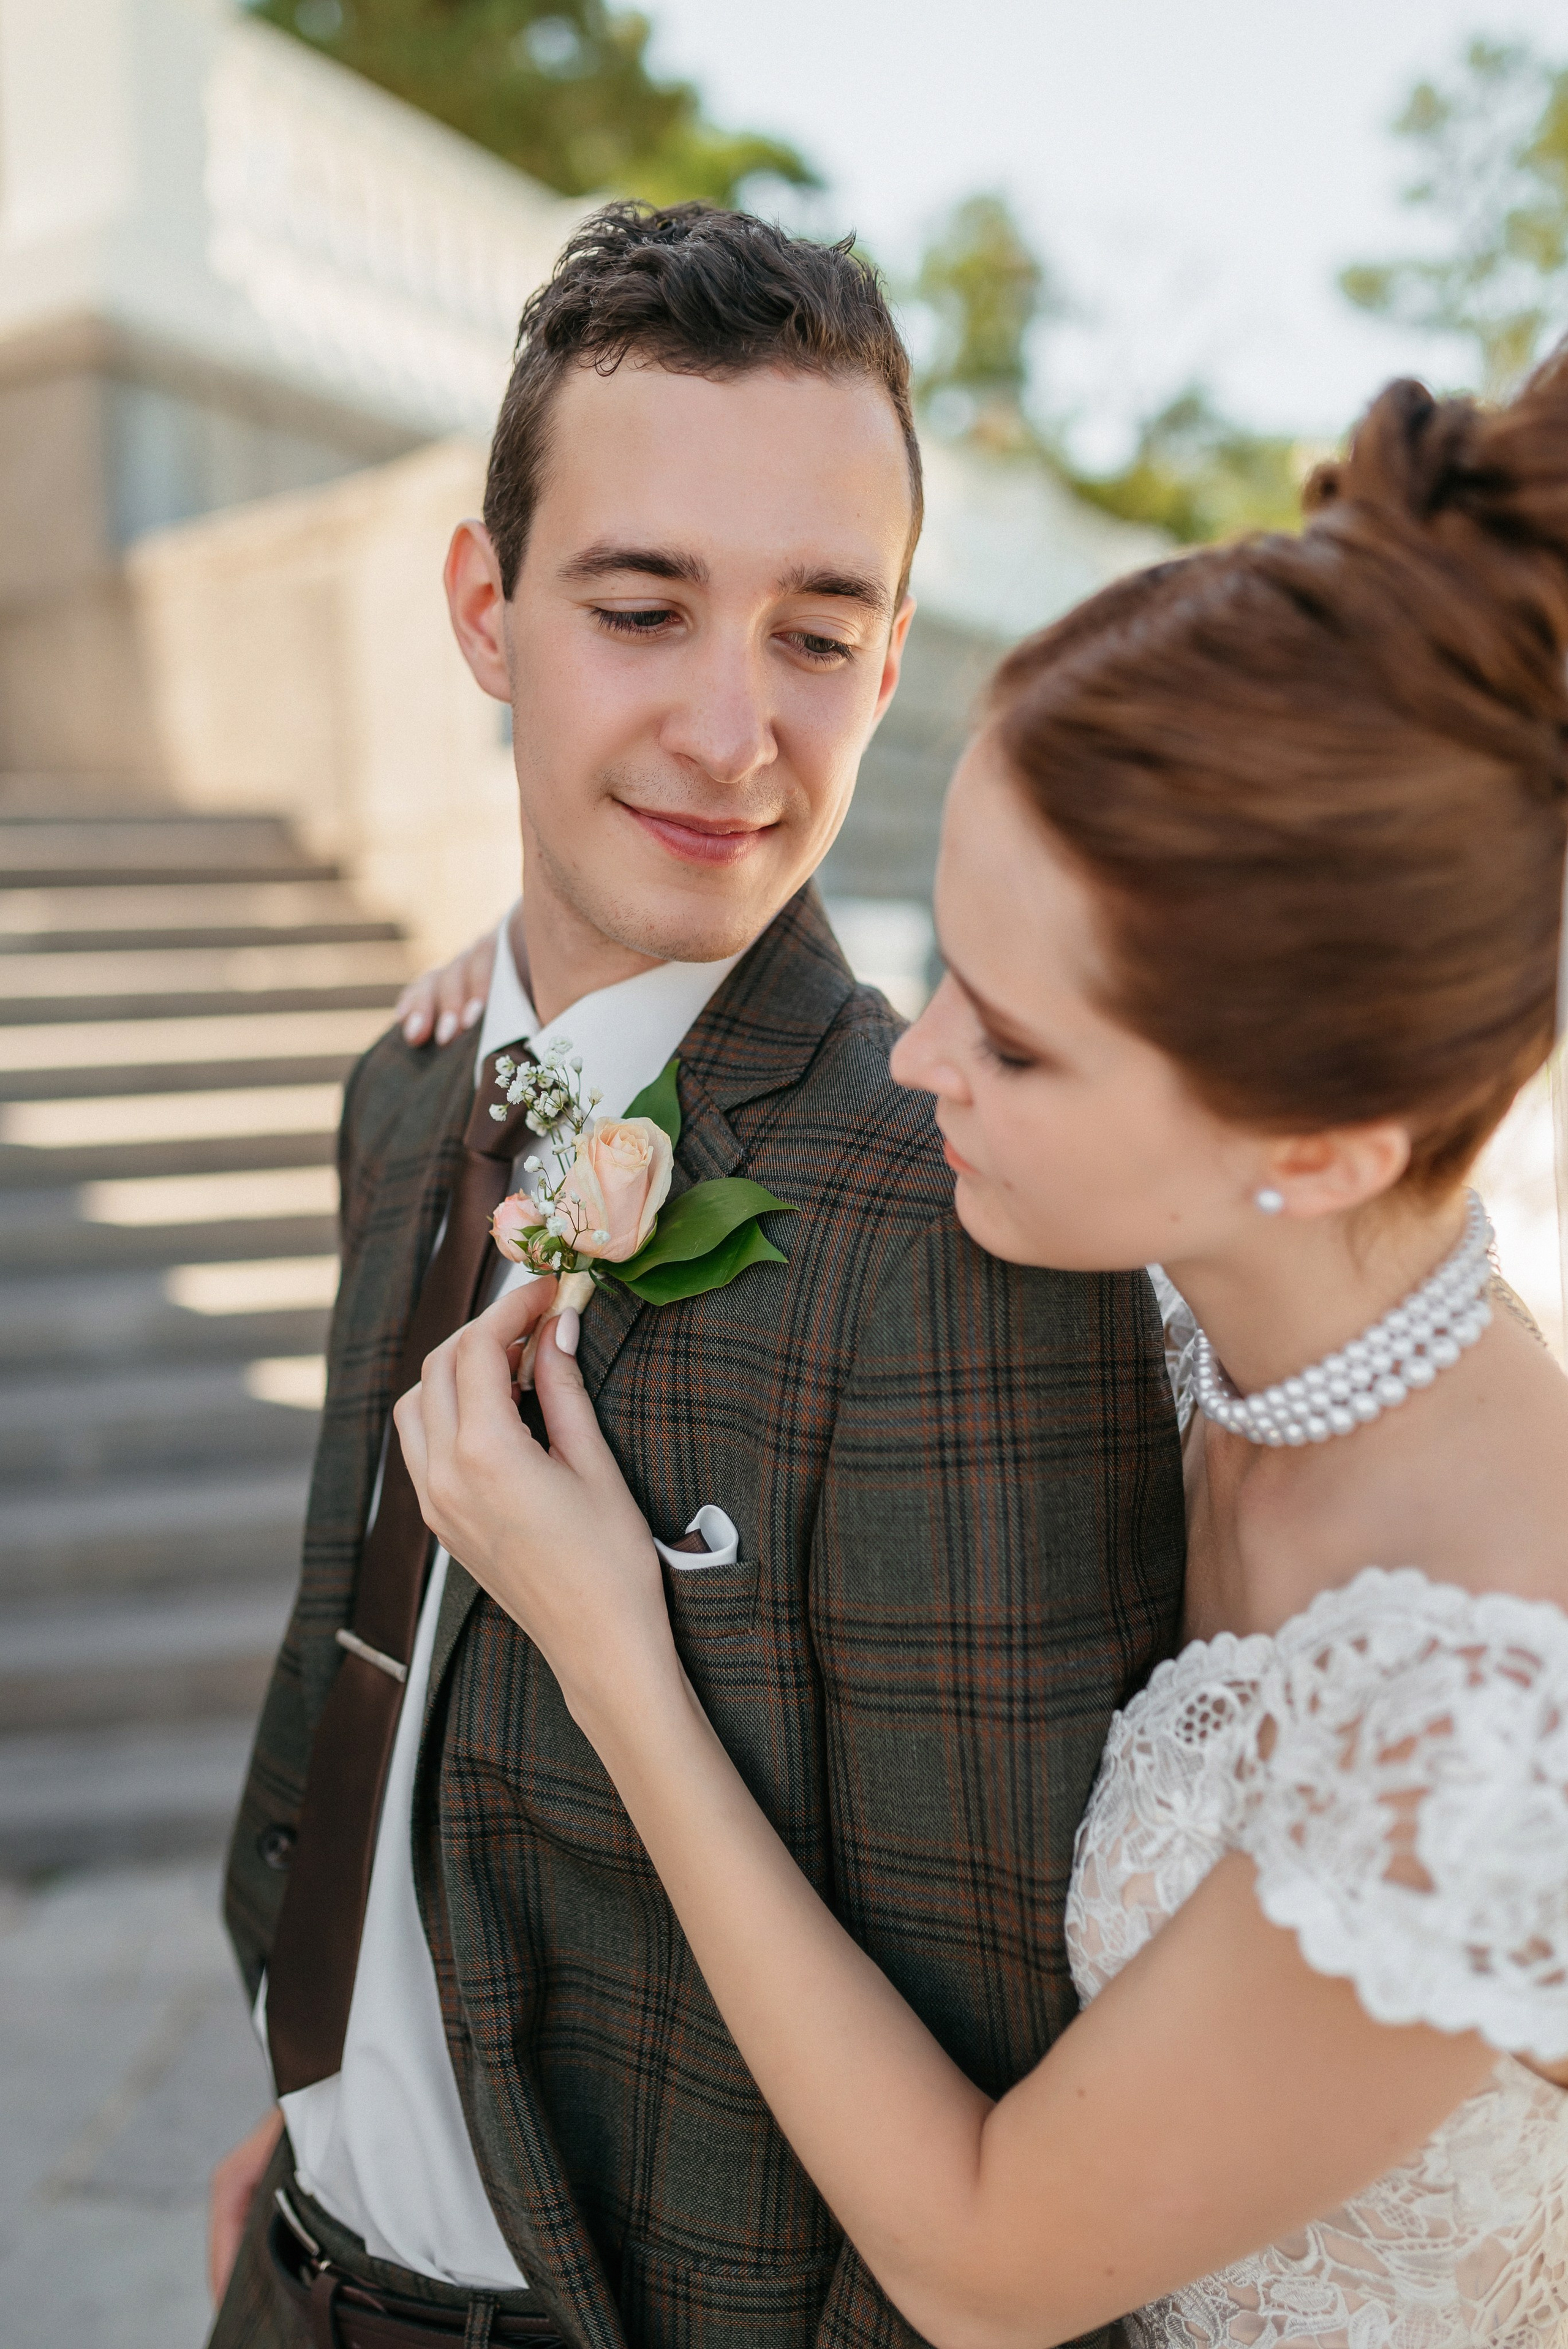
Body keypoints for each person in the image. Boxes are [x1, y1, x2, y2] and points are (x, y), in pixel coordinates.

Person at [393, 360, 1568, 2349]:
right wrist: (553, 1008)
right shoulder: (1230, 1308)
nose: (919, 1059)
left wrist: (614, 1646)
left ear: (1324, 1144)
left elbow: (990, 2257)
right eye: (942, 970)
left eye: (1013, 1042)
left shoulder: (1492, 1713)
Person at [206, 202, 1185, 2349]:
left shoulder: (959, 1231)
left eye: (819, 637)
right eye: (644, 608)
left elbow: (1006, 2105)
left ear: (897, 653)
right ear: (489, 608)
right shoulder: (407, 1096)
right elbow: (347, 1658)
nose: (737, 732)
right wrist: (315, 2130)